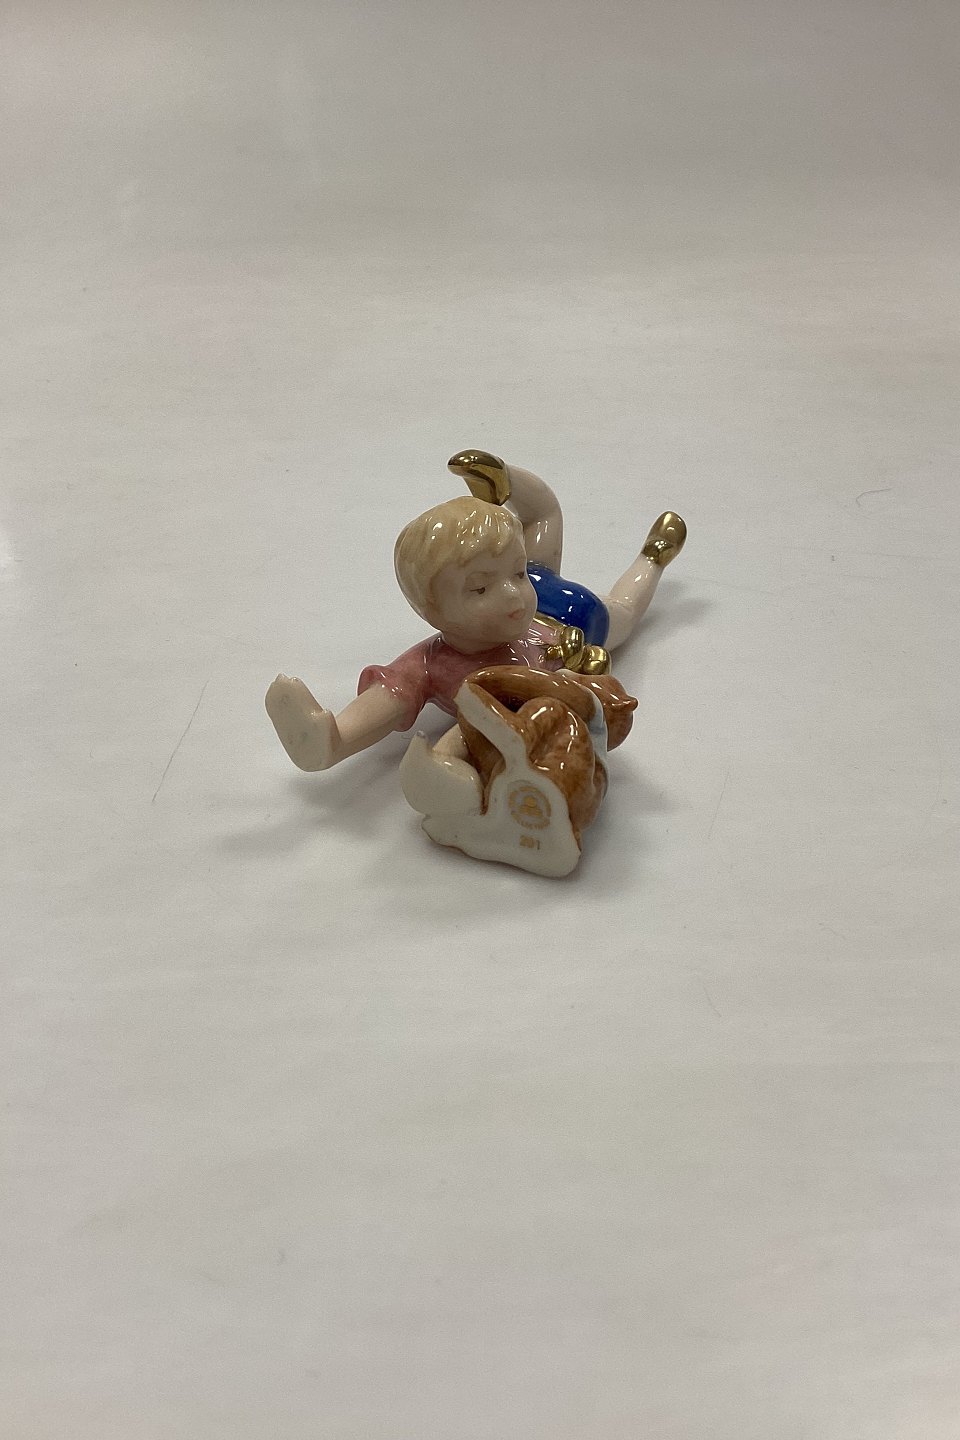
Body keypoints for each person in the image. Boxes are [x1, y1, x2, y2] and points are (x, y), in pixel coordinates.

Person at [265, 451, 685, 772]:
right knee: (608, 601)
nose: (511, 595)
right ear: (432, 610)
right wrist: (334, 739)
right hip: (571, 619)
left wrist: (516, 566)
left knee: (617, 604)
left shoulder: (522, 589)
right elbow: (388, 698)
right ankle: (653, 555)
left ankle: (651, 557)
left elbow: (543, 514)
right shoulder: (431, 663)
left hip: (561, 609)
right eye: (480, 588)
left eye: (514, 573)